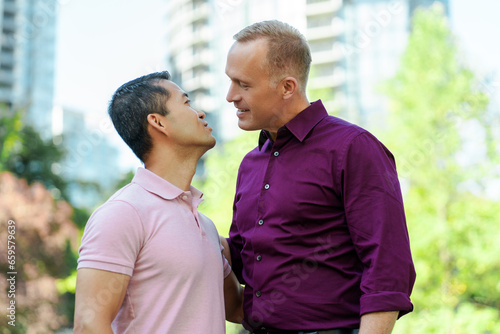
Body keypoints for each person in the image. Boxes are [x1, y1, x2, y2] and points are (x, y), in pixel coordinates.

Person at [222, 20, 416, 334]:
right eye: (231, 81)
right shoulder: (250, 164)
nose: (230, 96)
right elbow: (245, 261)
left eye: (243, 84)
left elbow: (387, 267)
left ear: (287, 87)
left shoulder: (353, 148)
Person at [74, 71, 243, 333]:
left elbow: (238, 307)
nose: (199, 113)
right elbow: (89, 324)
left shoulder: (205, 225)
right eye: (187, 103)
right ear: (158, 122)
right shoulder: (124, 213)